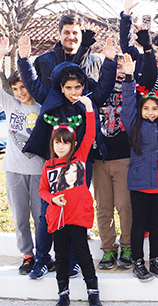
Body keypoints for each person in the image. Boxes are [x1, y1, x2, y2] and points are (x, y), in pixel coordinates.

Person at [17, 34, 117, 280]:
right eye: (69, 88)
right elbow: (32, 83)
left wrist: (110, 61)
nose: (73, 92)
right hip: (53, 165)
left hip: (81, 164)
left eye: (78, 87)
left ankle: (73, 261)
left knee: (74, 214)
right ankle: (42, 259)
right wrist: (24, 59)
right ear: (61, 87)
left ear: (83, 87)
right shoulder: (49, 98)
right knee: (46, 213)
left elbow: (105, 85)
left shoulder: (88, 101)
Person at [0, 37, 45, 275]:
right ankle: (27, 255)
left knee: (40, 218)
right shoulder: (10, 105)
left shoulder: (42, 107)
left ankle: (43, 254)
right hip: (13, 171)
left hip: (39, 172)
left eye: (23, 87)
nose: (20, 92)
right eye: (15, 89)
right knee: (20, 217)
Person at [38, 95, 102, 306]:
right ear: (52, 143)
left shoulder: (79, 158)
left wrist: (89, 108)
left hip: (77, 217)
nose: (61, 147)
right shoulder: (48, 166)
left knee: (83, 255)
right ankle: (63, 295)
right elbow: (43, 190)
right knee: (61, 257)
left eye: (65, 143)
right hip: (58, 219)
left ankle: (93, 293)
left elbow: (90, 133)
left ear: (73, 144)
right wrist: (52, 198)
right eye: (57, 142)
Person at [120, 54, 158, 282]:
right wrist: (129, 78)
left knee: (156, 224)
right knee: (139, 223)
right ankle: (138, 262)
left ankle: (156, 260)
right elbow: (127, 106)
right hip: (140, 182)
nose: (151, 112)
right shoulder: (134, 124)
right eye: (146, 108)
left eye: (154, 108)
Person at [93, 54, 133, 270]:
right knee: (103, 206)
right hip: (99, 158)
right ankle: (108, 248)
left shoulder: (131, 91)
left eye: (123, 67)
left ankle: (127, 246)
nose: (120, 71)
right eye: (116, 67)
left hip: (123, 157)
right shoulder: (97, 91)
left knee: (124, 204)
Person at [34, 14, 102, 89]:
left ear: (81, 35)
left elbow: (102, 90)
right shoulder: (42, 61)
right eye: (67, 32)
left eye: (75, 33)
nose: (71, 37)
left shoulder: (95, 61)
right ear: (60, 35)